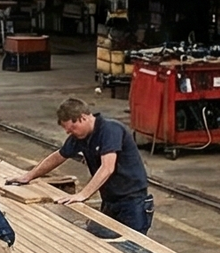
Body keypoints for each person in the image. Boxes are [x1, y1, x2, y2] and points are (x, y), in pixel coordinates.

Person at [8, 97, 156, 235]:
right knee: (99, 241)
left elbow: (107, 168)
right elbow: (58, 156)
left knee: (132, 249)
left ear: (83, 118)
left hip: (133, 204)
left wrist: (83, 195)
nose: (69, 132)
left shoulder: (110, 130)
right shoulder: (80, 137)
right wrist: (29, 176)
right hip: (110, 201)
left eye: (72, 128)